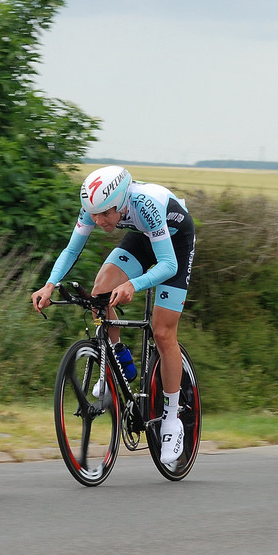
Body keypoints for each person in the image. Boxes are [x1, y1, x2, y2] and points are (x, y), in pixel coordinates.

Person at [30, 166, 196, 466]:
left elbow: (169, 265)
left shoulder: (144, 204)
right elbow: (71, 249)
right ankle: (119, 358)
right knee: (99, 292)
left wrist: (135, 283)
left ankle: (172, 419)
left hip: (175, 240)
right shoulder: (94, 208)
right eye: (93, 214)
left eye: (105, 214)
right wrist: (50, 283)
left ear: (120, 203)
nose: (98, 221)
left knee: (162, 332)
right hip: (142, 236)